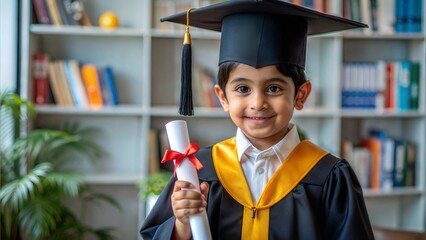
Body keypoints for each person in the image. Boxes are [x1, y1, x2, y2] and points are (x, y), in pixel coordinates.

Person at [140, 1, 374, 239]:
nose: (257, 103)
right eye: (242, 88)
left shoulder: (328, 175)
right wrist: (182, 225)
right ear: (222, 97)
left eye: (273, 88)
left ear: (300, 95)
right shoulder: (199, 169)